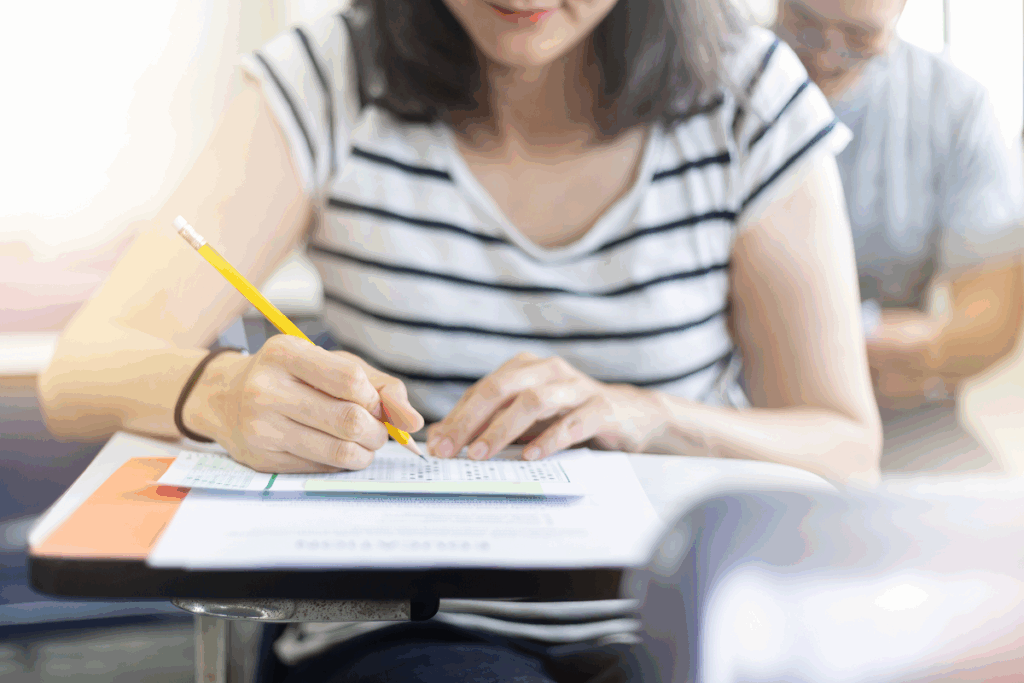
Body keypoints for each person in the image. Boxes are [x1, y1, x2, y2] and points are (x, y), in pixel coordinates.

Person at [38, 0, 881, 679]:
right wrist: (224, 393)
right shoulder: (331, 76)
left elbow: (844, 447)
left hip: (689, 620)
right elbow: (77, 373)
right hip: (406, 631)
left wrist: (648, 415)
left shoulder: (752, 95)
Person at [776, 0, 1024, 471]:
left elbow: (992, 315)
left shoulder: (954, 104)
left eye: (860, 36)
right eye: (805, 25)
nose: (828, 55)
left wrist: (936, 348)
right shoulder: (715, 87)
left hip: (894, 403)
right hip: (746, 397)